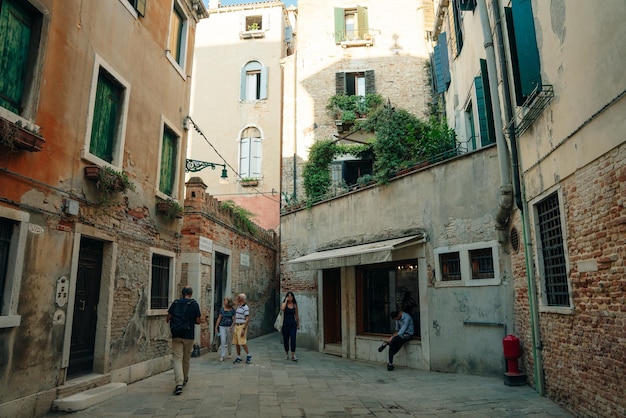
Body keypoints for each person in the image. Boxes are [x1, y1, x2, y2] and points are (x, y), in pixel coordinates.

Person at [166, 287, 201, 395]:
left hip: (176, 335)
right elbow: (198, 321)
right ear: (190, 294)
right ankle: (185, 378)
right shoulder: (194, 304)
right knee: (186, 359)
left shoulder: (175, 303)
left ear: (182, 294)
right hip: (189, 336)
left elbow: (168, 318)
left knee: (177, 359)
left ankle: (179, 384)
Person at [232, 293, 252, 364]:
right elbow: (236, 317)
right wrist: (232, 325)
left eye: (239, 297)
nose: (237, 298)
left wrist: (244, 329)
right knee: (237, 342)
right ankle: (238, 356)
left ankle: (248, 355)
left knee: (242, 342)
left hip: (242, 326)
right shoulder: (238, 306)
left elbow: (247, 319)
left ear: (242, 299)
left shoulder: (245, 307)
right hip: (237, 325)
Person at [280, 291, 300, 361]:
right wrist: (285, 301)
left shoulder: (294, 305)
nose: (290, 297)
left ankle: (293, 355)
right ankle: (286, 353)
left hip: (293, 324)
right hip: (285, 324)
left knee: (293, 338)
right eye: (288, 296)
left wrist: (298, 324)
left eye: (291, 296)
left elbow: (296, 315)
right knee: (286, 339)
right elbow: (282, 309)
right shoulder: (284, 304)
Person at [214, 297, 235, 362]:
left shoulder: (232, 310)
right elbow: (219, 318)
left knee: (229, 340)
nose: (223, 302)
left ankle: (229, 353)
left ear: (228, 302)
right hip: (222, 326)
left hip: (229, 326)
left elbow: (234, 319)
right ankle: (222, 355)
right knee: (223, 340)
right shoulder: (222, 309)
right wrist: (216, 327)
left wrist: (232, 326)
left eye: (225, 301)